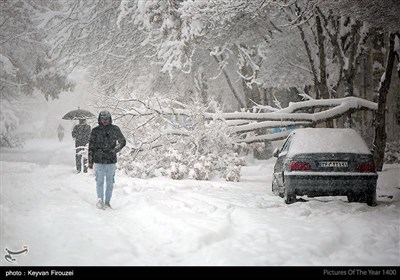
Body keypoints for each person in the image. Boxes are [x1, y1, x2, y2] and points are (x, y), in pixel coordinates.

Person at [88, 111, 126, 209]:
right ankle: (100, 200)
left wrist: (115, 150)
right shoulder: (95, 131)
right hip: (98, 160)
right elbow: (91, 146)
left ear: (110, 119)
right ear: (99, 119)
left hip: (111, 160)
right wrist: (90, 161)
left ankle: (107, 202)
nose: (104, 121)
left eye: (106, 119)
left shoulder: (115, 129)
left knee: (110, 183)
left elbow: (122, 141)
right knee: (99, 182)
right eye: (103, 119)